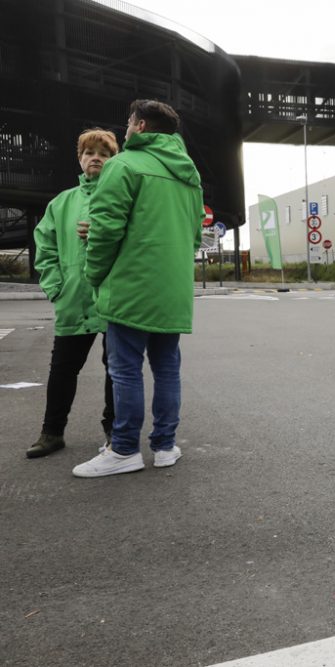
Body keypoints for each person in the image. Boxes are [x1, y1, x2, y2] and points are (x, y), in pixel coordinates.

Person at [72, 99, 204, 478]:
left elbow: (106, 231)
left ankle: (125, 449)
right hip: (172, 291)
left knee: (126, 370)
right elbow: (195, 236)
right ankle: (164, 446)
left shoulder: (123, 166)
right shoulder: (189, 175)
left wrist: (93, 274)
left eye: (128, 124)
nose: (126, 130)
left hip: (131, 286)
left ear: (140, 126)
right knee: (167, 369)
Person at [27, 129, 120, 459]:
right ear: (79, 160)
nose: (95, 158)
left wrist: (104, 232)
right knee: (63, 369)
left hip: (115, 300)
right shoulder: (61, 203)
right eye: (89, 153)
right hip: (74, 300)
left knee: (117, 371)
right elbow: (45, 248)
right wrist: (56, 288)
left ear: (113, 161)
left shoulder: (123, 199)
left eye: (104, 154)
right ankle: (52, 432)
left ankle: (114, 434)